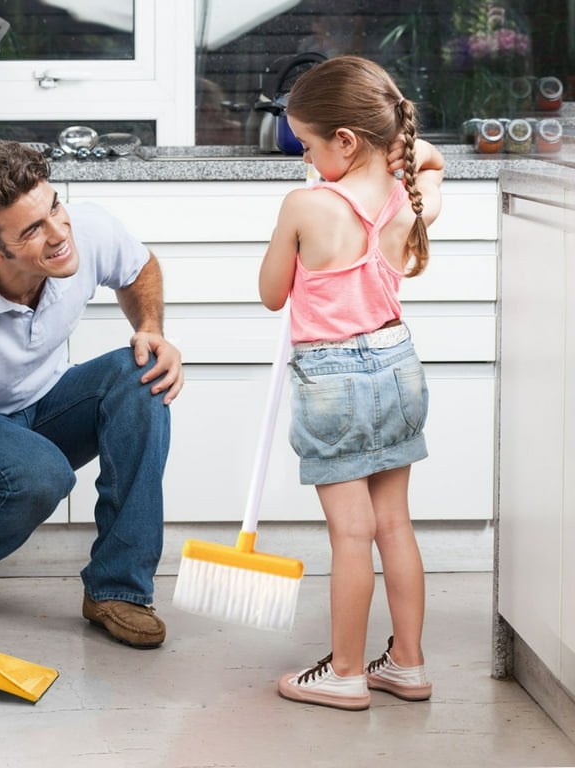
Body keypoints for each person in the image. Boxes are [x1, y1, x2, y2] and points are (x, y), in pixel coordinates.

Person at [0, 139, 183, 651]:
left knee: (142, 372)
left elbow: (140, 268)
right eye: (33, 230)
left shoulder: (82, 229)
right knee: (40, 472)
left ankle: (118, 589)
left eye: (55, 207)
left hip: (49, 401)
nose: (60, 233)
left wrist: (150, 327)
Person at [258, 56, 445, 710]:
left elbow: (270, 295)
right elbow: (430, 161)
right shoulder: (407, 199)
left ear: (345, 140)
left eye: (308, 145)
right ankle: (409, 664)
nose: (306, 160)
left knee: (351, 535)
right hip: (398, 363)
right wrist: (403, 153)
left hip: (334, 377)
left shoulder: (306, 205)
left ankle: (344, 671)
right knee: (394, 524)